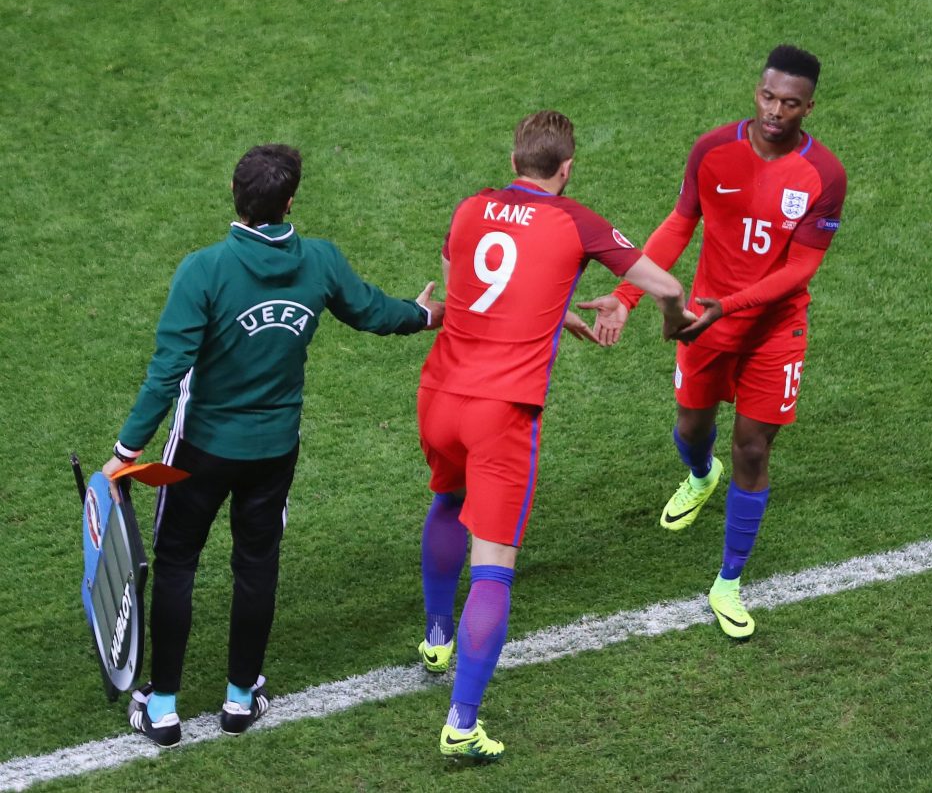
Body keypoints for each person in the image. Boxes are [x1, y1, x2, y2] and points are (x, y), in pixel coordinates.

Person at [101, 144, 444, 748]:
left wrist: (127, 451)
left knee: (178, 563)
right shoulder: (319, 261)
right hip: (274, 451)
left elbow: (167, 370)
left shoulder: (204, 270)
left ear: (236, 196)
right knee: (256, 564)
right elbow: (371, 313)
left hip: (200, 450)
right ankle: (239, 699)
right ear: (289, 203)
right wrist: (423, 314)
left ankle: (162, 709)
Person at [415, 110, 696, 761]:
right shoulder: (577, 220)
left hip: (439, 397)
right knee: (494, 570)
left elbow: (479, 282)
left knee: (449, 501)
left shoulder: (470, 208)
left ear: (514, 159)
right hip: (501, 413)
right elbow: (666, 281)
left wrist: (554, 313)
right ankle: (461, 723)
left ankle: (435, 635)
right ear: (565, 169)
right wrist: (672, 316)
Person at [585, 45, 847, 640]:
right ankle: (702, 475)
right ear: (756, 91)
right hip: (703, 325)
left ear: (809, 106)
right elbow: (681, 223)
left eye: (790, 103)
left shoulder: (823, 176)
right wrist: (626, 297)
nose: (775, 111)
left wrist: (727, 306)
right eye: (767, 96)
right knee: (690, 430)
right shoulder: (711, 149)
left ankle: (727, 582)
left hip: (772, 332)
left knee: (753, 452)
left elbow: (799, 269)